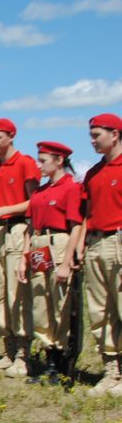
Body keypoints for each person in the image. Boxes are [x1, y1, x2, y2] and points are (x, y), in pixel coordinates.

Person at [18, 141, 83, 384]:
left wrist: (67, 261)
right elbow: (30, 226)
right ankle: (49, 361)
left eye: (44, 160)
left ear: (59, 160)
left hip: (59, 243)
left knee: (60, 303)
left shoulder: (71, 188)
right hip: (39, 245)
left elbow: (76, 226)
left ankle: (63, 359)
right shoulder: (40, 191)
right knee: (40, 303)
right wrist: (25, 258)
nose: (39, 165)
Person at [0, 118, 41, 376]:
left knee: (17, 294)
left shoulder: (25, 163)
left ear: (11, 136)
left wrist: (4, 210)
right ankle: (7, 350)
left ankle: (23, 354)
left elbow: (34, 201)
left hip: (16, 229)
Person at [83, 113, 122, 396]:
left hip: (118, 241)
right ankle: (111, 370)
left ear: (115, 134)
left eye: (97, 135)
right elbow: (87, 214)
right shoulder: (93, 173)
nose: (93, 141)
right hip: (95, 244)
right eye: (91, 135)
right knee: (100, 311)